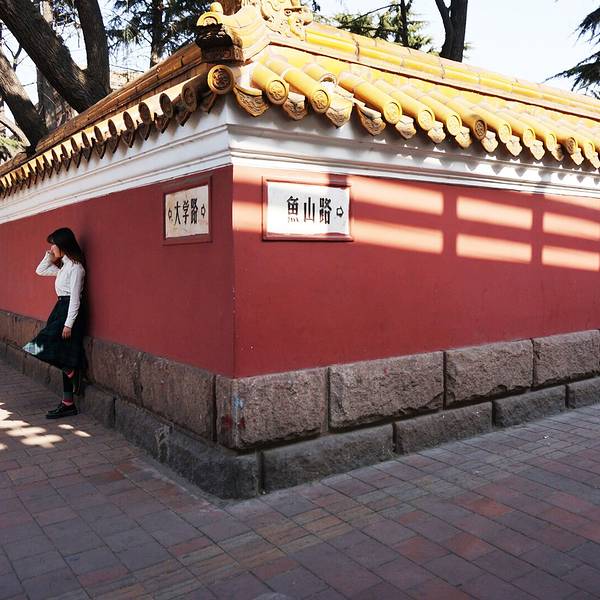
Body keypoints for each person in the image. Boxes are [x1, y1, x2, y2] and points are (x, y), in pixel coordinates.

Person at [23, 228, 86, 419]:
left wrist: (69, 324)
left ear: (63, 245)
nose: (51, 248)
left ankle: (69, 373)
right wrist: (49, 256)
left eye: (54, 245)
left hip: (68, 312)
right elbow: (40, 270)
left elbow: (75, 298)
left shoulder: (76, 268)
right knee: (59, 353)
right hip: (59, 309)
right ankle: (68, 401)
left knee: (37, 346)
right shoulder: (64, 266)